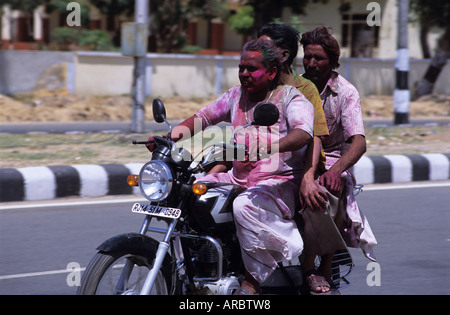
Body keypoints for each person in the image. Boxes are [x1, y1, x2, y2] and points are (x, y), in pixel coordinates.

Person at [147, 38, 315, 295]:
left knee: (243, 205)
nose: (244, 74)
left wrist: (271, 147)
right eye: (241, 68)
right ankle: (195, 269)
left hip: (279, 181)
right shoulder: (236, 96)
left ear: (270, 72)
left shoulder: (291, 98)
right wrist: (170, 138)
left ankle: (252, 281)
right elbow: (204, 117)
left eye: (251, 69)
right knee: (188, 194)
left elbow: (304, 134)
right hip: (239, 178)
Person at [299, 26, 377, 294]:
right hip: (300, 157)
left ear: (332, 61)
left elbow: (359, 142)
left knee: (321, 192)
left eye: (317, 58)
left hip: (333, 159)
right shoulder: (294, 88)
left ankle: (316, 267)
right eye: (307, 57)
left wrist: (335, 170)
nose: (310, 63)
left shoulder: (346, 92)